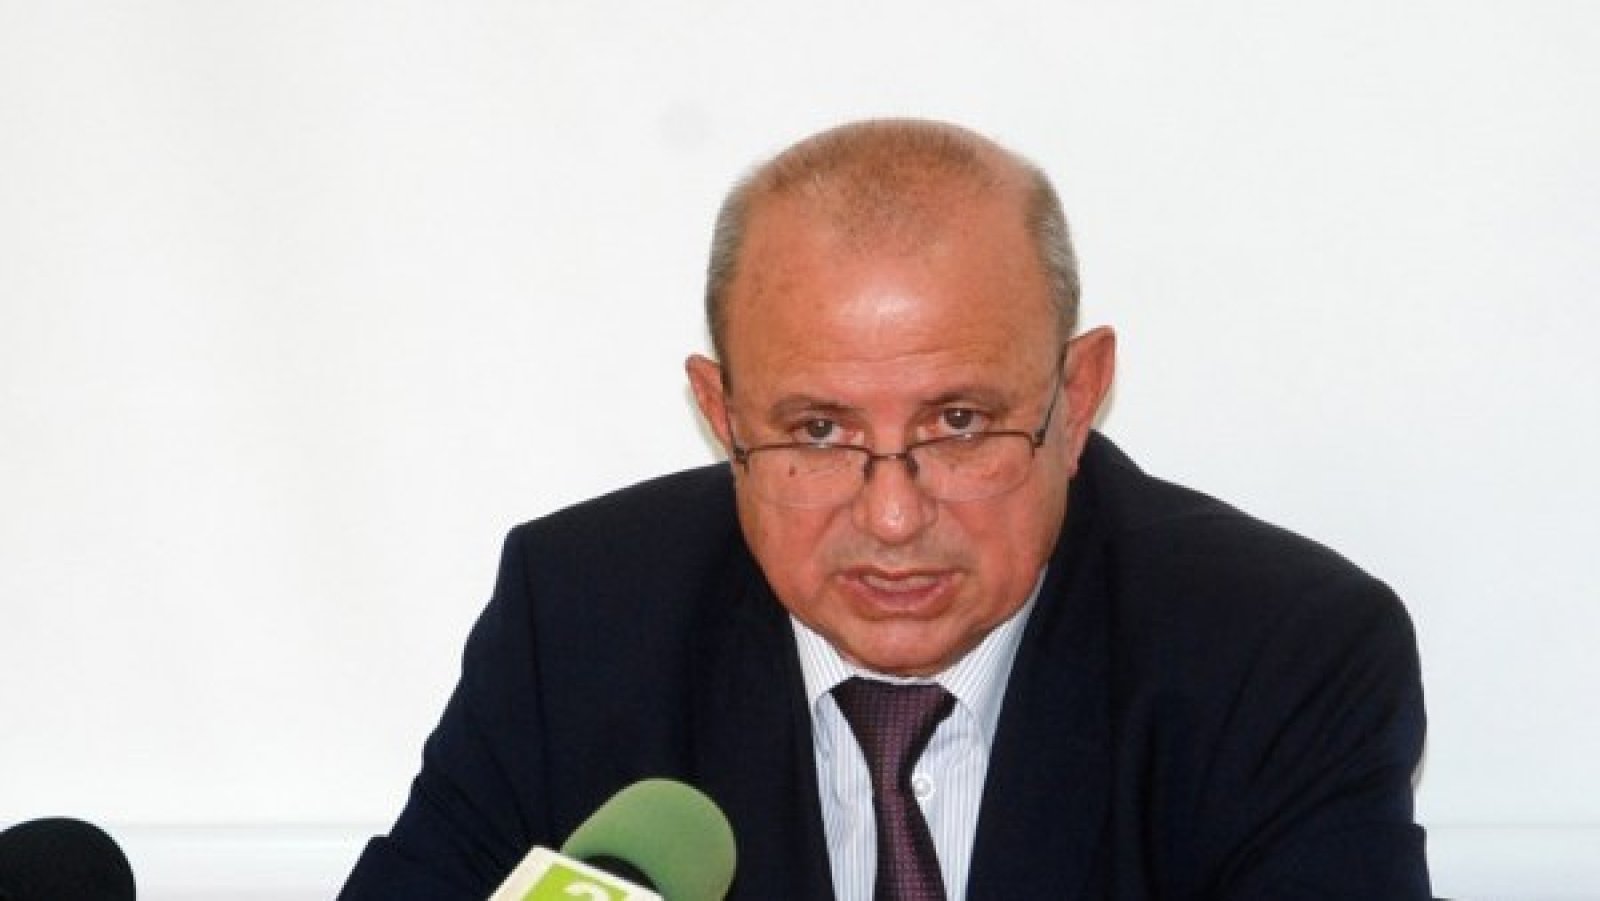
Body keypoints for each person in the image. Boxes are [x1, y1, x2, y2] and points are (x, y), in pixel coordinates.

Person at [339, 119, 1432, 899]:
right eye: (818, 431)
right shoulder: (582, 622)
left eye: (960, 422)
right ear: (722, 413)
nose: (896, 517)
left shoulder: (1277, 655)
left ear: (1076, 397)